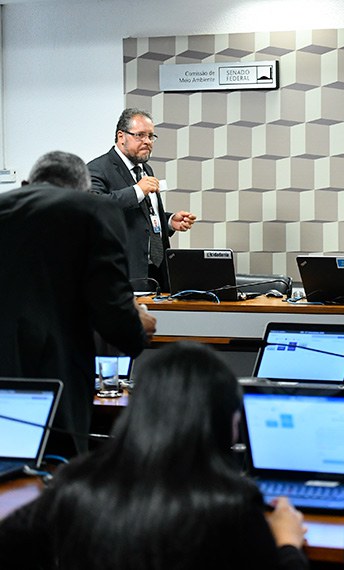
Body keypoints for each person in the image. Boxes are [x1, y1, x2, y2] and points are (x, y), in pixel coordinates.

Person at [0, 342, 308, 570]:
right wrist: (287, 543)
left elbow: (11, 540)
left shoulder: (76, 485)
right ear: (222, 422)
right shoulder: (231, 505)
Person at [0, 150, 156, 456]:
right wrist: (136, 327)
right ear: (83, 190)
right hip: (51, 383)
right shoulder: (93, 209)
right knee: (57, 475)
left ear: (28, 182)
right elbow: (112, 309)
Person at [88, 108, 197, 290]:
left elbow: (144, 215)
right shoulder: (97, 169)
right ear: (121, 136)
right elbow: (96, 209)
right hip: (122, 276)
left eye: (151, 136)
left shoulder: (145, 169)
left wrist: (169, 221)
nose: (147, 141)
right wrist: (137, 190)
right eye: (140, 135)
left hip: (156, 273)